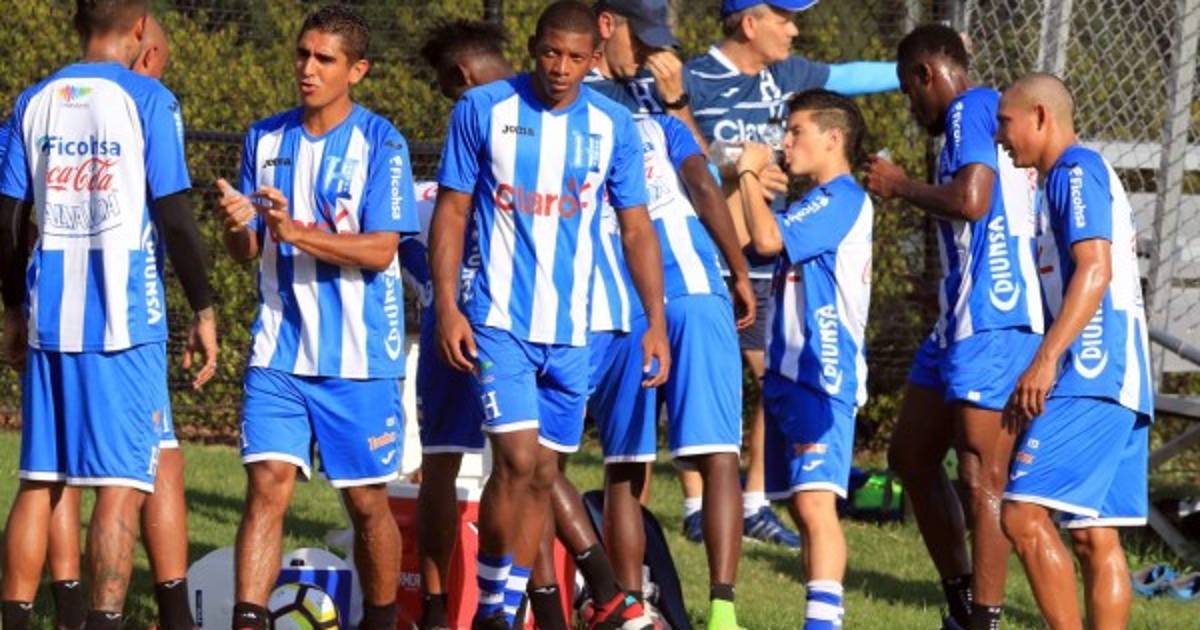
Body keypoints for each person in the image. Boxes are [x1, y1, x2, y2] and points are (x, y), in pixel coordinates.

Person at [429, 2, 670, 628]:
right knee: (514, 461)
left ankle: (500, 607)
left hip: (573, 332)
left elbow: (637, 228)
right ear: (533, 48)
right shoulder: (482, 110)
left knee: (541, 475)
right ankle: (493, 611)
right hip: (498, 320)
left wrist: (655, 321)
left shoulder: (614, 126)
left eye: (575, 57)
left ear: (594, 59)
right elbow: (452, 211)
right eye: (550, 53)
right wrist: (449, 305)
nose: (560, 68)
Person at [0, 1, 218, 628]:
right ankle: (103, 620)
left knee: (40, 480)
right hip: (123, 325)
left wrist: (12, 308)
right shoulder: (149, 99)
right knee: (122, 484)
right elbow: (176, 217)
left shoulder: (33, 100)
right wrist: (204, 307)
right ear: (141, 26)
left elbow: (7, 221)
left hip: (49, 320)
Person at [218, 6, 416, 629]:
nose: (307, 68)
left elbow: (381, 250)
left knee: (366, 503)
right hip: (279, 348)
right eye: (302, 54)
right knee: (267, 485)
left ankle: (380, 621)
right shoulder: (263, 139)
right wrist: (238, 227)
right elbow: (249, 248)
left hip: (358, 357)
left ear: (357, 70)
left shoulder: (381, 143)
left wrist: (296, 232)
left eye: (324, 59)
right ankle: (249, 620)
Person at [678, 0, 900, 549]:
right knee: (700, 376)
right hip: (704, 252)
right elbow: (679, 155)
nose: (795, 29)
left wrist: (915, 68)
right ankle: (695, 505)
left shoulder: (788, 77)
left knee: (772, 376)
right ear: (749, 23)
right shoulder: (693, 80)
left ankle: (753, 501)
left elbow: (847, 80)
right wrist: (734, 170)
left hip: (768, 261)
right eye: (785, 17)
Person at [863, 24, 1043, 630]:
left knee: (979, 472)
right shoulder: (974, 121)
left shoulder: (970, 108)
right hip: (958, 319)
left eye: (908, 92)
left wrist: (898, 185)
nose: (911, 106)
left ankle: (981, 620)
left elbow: (972, 199)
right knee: (912, 454)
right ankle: (962, 598)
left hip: (995, 316)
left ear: (925, 75)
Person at [997, 72, 1152, 630]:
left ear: (1040, 116)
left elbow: (1094, 267)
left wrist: (1044, 361)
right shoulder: (1061, 181)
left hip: (1095, 366)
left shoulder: (1074, 170)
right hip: (1122, 373)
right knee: (1093, 533)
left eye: (1006, 123)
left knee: (1021, 515)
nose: (1000, 137)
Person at [736, 89, 872, 630]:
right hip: (788, 374)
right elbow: (748, 238)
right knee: (799, 502)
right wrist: (747, 186)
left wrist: (749, 175)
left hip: (823, 372)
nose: (785, 143)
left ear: (833, 138)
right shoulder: (810, 202)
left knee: (816, 505)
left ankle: (823, 624)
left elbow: (768, 241)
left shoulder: (841, 197)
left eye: (796, 132)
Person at [412, 20, 513, 630]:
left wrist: (442, 302)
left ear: (461, 76)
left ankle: (435, 609)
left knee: (444, 464)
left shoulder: (473, 112)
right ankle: (523, 603)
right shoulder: (560, 110)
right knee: (528, 466)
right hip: (519, 316)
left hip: (463, 313)